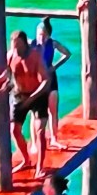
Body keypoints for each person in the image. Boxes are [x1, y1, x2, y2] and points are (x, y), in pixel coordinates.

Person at [8, 30, 52, 179]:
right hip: (19, 95)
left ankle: (40, 167)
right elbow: (4, 76)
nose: (16, 49)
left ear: (25, 44)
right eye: (13, 46)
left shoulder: (35, 56)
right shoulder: (10, 56)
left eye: (18, 46)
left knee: (40, 131)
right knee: (14, 130)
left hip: (38, 95)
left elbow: (45, 80)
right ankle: (26, 159)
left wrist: (32, 98)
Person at [30, 18, 71, 152]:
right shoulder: (32, 44)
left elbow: (67, 54)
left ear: (48, 35)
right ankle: (35, 143)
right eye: (38, 34)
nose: (40, 38)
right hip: (36, 81)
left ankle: (54, 139)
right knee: (35, 113)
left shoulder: (52, 43)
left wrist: (55, 67)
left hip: (50, 78)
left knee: (53, 110)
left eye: (43, 35)